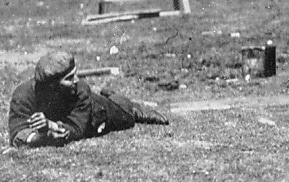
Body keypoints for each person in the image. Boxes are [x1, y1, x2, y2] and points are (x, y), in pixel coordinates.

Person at [8, 50, 169, 147]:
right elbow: (17, 134)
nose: (77, 80)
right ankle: (108, 93)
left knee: (125, 114)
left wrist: (50, 125)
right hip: (73, 116)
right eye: (69, 78)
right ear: (52, 86)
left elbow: (77, 130)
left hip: (99, 113)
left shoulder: (80, 89)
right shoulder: (23, 95)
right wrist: (42, 137)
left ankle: (128, 105)